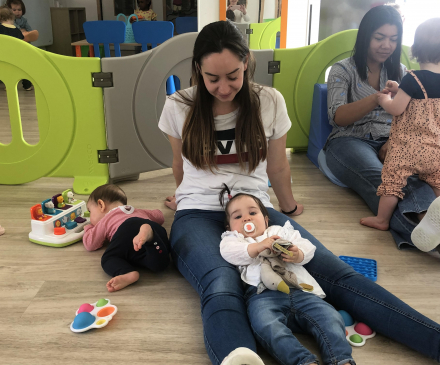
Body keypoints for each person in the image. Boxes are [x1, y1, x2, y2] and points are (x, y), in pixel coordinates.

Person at [158, 20, 440, 365]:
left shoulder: (268, 101)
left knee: (336, 274)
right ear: (197, 70)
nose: (223, 87)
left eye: (232, 75)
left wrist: (287, 209)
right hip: (197, 212)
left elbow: (277, 167)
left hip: (256, 209)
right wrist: (182, 196)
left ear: (246, 61)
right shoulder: (179, 105)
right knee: (220, 283)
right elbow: (179, 165)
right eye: (211, 78)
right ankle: (237, 355)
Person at [324, 5, 439, 251]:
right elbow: (338, 117)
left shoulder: (403, 73)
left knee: (416, 179)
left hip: (395, 140)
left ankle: (429, 226)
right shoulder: (342, 70)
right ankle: (425, 231)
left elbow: (416, 118)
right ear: (366, 35)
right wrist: (376, 97)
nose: (386, 45)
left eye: (393, 39)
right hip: (350, 140)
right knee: (385, 183)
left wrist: (396, 142)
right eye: (379, 37)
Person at [219, 186, 354, 365]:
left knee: (330, 317)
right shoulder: (234, 239)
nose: (246, 218)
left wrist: (297, 254)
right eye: (237, 216)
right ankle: (302, 361)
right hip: (262, 295)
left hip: (300, 289)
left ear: (266, 220)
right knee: (265, 326)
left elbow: (307, 245)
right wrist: (257, 247)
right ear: (230, 226)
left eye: (253, 212)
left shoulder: (279, 232)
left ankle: (340, 358)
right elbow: (229, 252)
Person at [360, 18, 440, 246]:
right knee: (436, 182)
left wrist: (385, 97)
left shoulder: (413, 78)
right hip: (435, 149)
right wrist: (400, 89)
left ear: (416, 50)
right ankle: (436, 213)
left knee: (393, 182)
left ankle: (382, 219)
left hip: (407, 148)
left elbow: (396, 108)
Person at [83, 184, 170, 292]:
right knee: (159, 265)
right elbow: (159, 216)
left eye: (90, 211)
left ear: (101, 205)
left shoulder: (107, 219)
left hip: (126, 229)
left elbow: (90, 244)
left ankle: (126, 272)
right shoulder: (138, 211)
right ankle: (151, 237)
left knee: (108, 258)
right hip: (155, 230)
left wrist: (88, 228)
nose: (90, 216)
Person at [5, 0, 33, 91]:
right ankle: (9, 84)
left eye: (19, 9)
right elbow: (15, 30)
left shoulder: (24, 20)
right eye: (14, 10)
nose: (17, 12)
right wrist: (22, 31)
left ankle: (27, 84)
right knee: (11, 67)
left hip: (23, 44)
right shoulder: (9, 21)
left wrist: (26, 32)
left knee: (25, 65)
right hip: (13, 46)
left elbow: (29, 30)